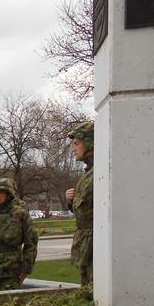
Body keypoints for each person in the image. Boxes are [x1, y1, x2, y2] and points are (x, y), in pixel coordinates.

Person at [66, 121, 94, 286]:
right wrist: (72, 201)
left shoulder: (100, 172)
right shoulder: (88, 174)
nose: (73, 148)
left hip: (95, 248)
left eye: (77, 143)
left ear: (90, 143)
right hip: (87, 249)